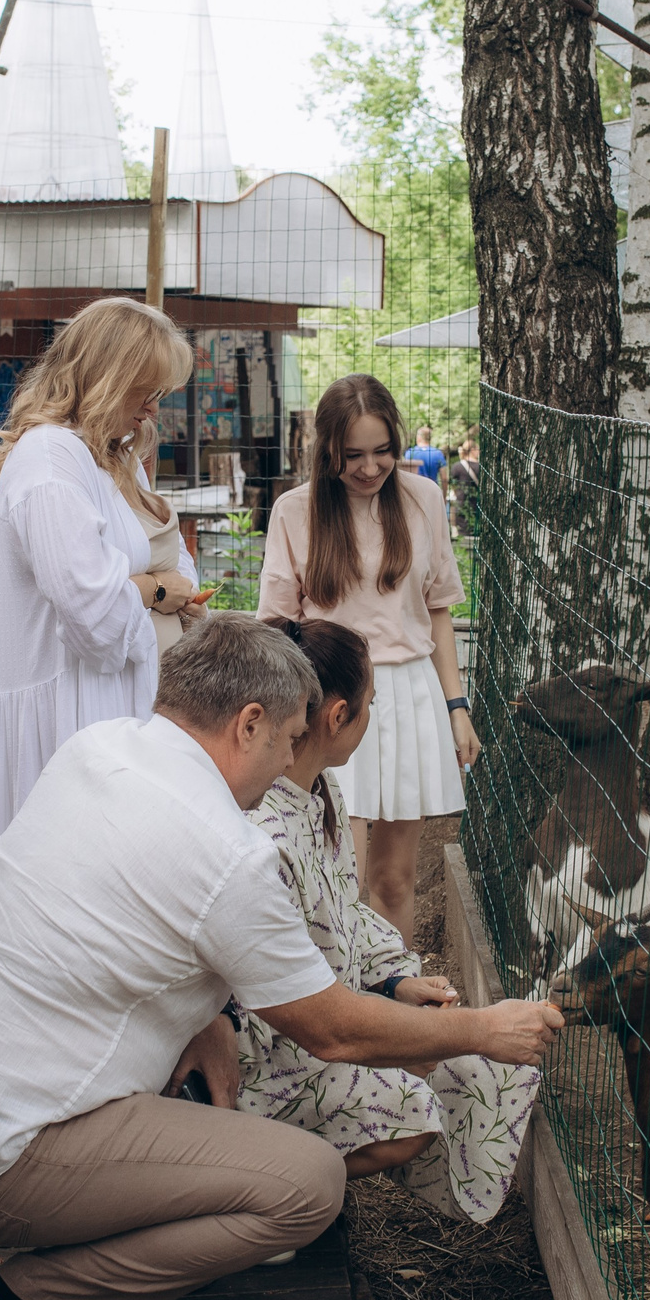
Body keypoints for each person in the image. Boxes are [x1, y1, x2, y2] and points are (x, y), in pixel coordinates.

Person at [0, 615, 562, 1300]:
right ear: (248, 722)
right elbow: (334, 1028)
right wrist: (484, 1030)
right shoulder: (229, 851)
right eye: (288, 738)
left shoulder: (100, 748)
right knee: (307, 1185)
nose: (292, 759)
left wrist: (206, 1016)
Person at [241, 616, 539, 1222]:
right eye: (371, 703)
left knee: (462, 1071)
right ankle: (267, 1186)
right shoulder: (266, 836)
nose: (374, 716)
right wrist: (395, 1036)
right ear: (337, 716)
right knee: (416, 1106)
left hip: (325, 1017)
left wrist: (396, 983)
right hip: (277, 1054)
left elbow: (346, 915)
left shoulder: (321, 792)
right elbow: (308, 1011)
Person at [258, 374, 477, 944]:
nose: (369, 467)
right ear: (327, 450)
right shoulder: (294, 510)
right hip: (327, 698)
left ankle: (390, 1013)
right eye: (352, 455)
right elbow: (276, 626)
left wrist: (457, 707)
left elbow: (438, 613)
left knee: (395, 879)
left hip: (407, 693)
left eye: (383, 452)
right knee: (337, 877)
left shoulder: (423, 498)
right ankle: (335, 1014)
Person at [0, 297, 194, 852]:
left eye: (158, 394)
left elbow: (174, 567)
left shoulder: (108, 456)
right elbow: (93, 614)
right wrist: (154, 590)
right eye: (143, 390)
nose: (150, 408)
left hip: (103, 702)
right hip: (66, 711)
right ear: (105, 376)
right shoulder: (50, 455)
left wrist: (147, 589)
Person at [131, 417, 205, 652]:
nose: (152, 409)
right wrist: (159, 589)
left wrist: (187, 589)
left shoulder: (129, 462)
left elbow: (174, 548)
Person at [448, 434, 482, 537]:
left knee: (463, 538)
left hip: (461, 506)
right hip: (478, 506)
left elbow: (452, 484)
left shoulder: (456, 467)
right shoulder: (481, 468)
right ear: (472, 450)